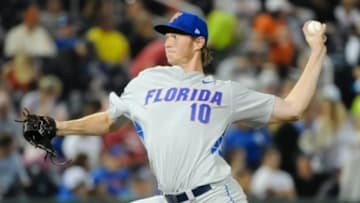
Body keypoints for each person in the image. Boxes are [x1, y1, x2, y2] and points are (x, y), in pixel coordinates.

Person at [52, 11, 327, 203]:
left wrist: (316, 52)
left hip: (215, 196)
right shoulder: (146, 81)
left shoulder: (224, 92)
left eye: (177, 34)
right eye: (166, 35)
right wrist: (57, 127)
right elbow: (109, 121)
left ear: (198, 42)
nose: (168, 39)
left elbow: (292, 108)